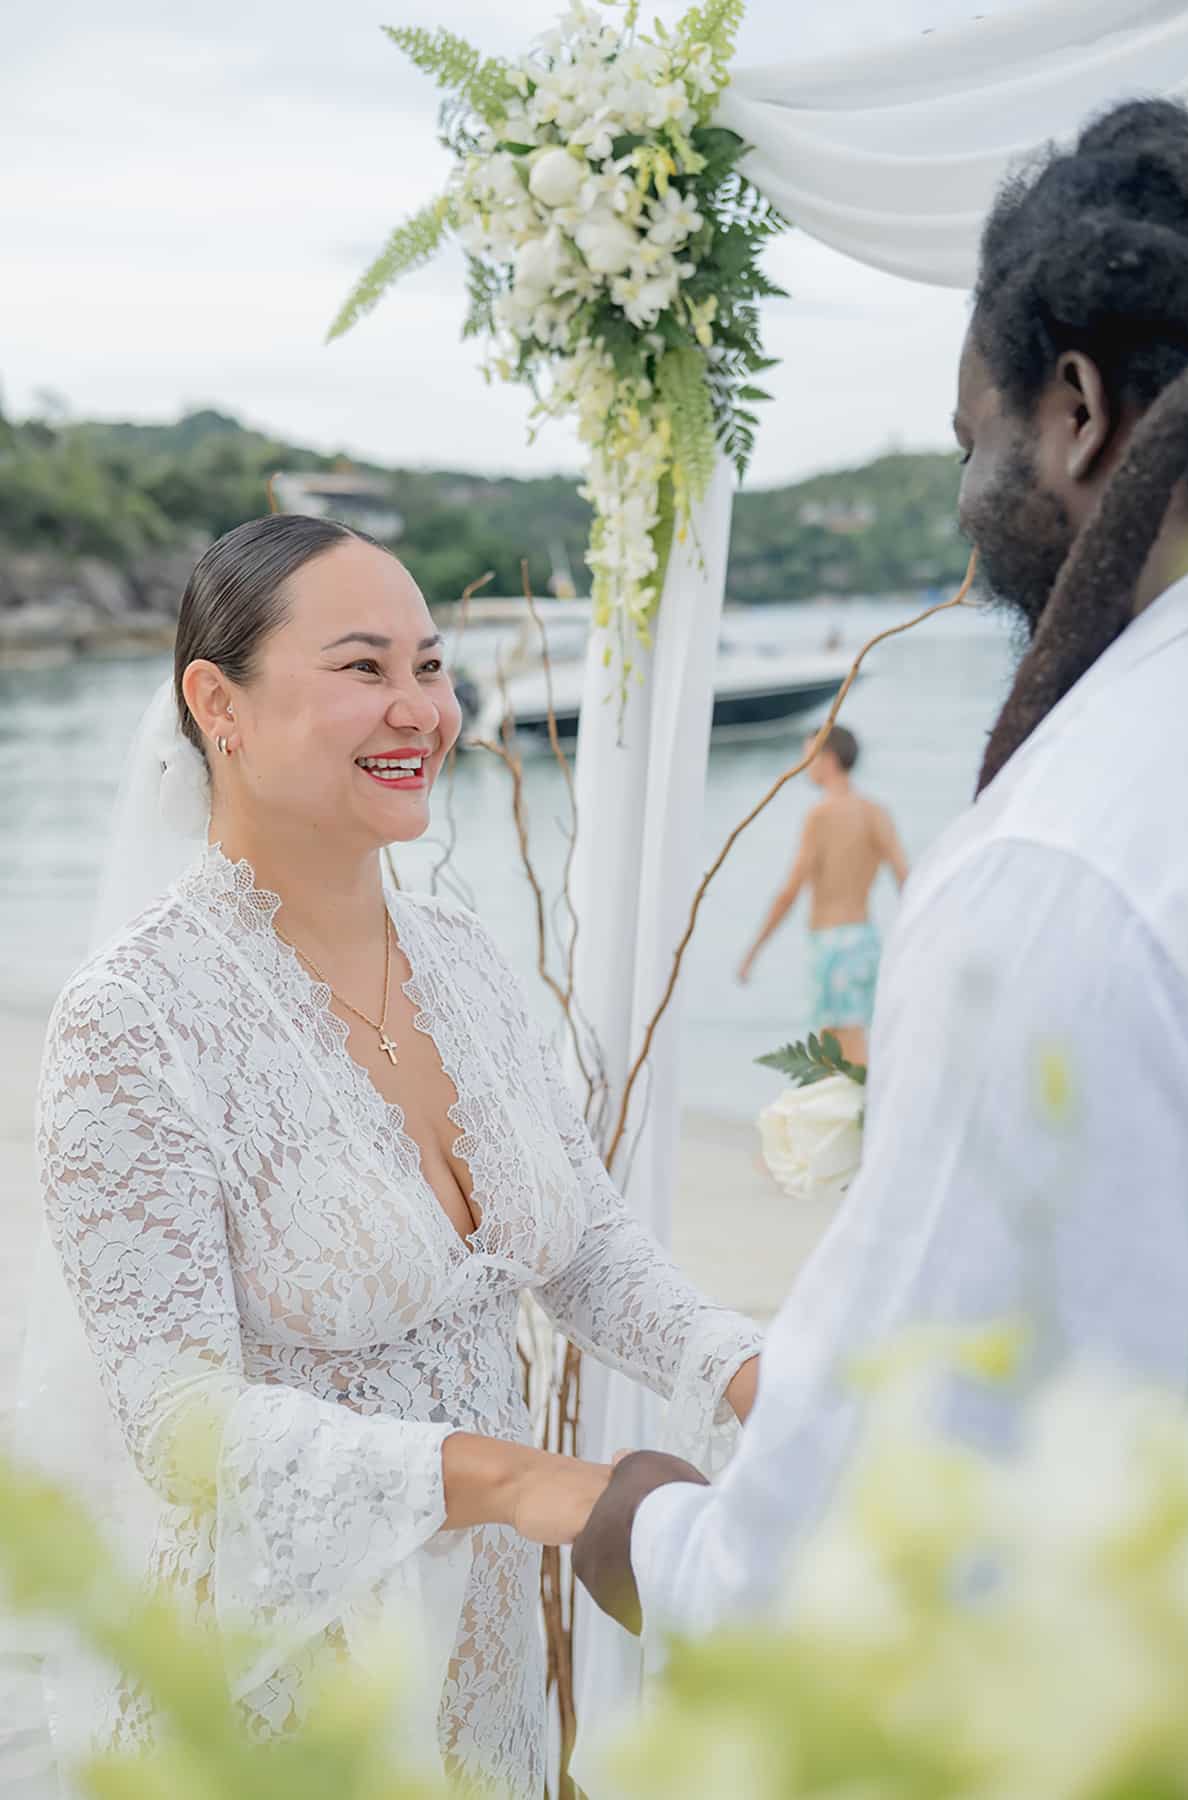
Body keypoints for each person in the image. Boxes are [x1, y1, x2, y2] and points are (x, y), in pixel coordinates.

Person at [573, 96, 1188, 1643]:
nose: (963, 498)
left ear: (1073, 410)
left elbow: (878, 1526)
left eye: (966, 440)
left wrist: (644, 1530)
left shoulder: (1064, 860)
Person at [27, 515, 760, 1795]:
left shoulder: (466, 963)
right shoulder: (130, 1024)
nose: (421, 707)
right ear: (219, 705)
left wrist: (748, 1369)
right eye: (364, 668)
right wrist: (517, 1481)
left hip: (484, 1673)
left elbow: (578, 1243)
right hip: (273, 1689)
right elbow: (181, 1427)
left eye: (430, 667)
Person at [736, 724, 908, 1064]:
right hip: (865, 941)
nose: (804, 764)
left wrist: (754, 950)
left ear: (828, 759)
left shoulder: (820, 815)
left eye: (808, 756)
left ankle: (861, 1117)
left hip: (830, 945)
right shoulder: (875, 812)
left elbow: (790, 891)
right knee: (852, 1046)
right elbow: (906, 879)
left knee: (839, 1058)